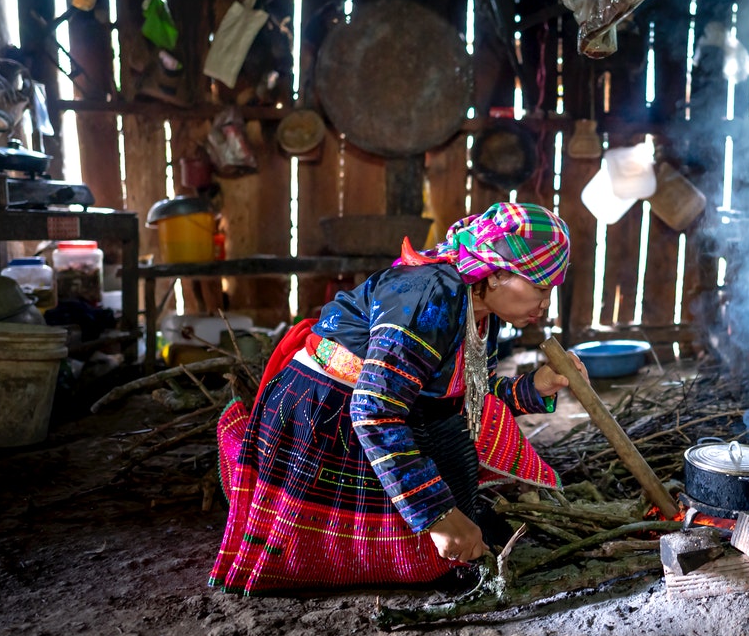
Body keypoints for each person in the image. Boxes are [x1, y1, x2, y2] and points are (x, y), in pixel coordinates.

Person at [209, 202, 587, 595]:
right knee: (430, 551)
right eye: (540, 287)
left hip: (401, 408)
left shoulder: (481, 312)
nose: (545, 303)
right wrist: (437, 515)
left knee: (465, 500)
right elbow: (374, 411)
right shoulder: (431, 298)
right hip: (328, 414)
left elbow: (471, 395)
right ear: (495, 276)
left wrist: (535, 386)